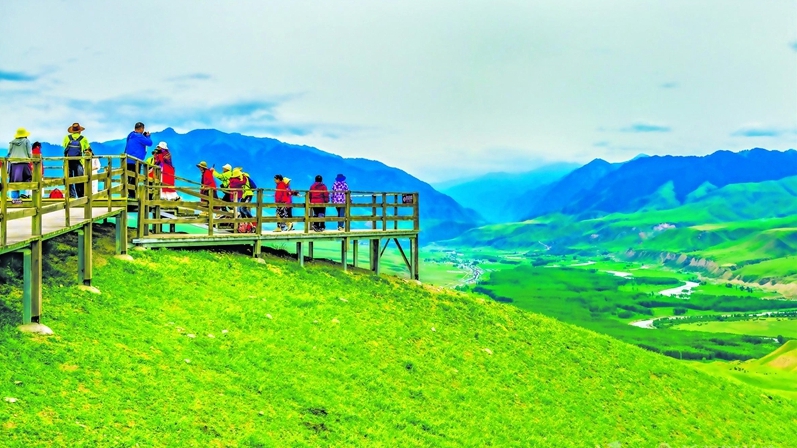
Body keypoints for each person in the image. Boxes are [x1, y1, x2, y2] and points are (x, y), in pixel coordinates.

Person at [123, 122, 153, 199]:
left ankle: (130, 193)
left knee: (129, 176)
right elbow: (149, 143)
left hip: (127, 159)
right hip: (135, 161)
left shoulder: (130, 135)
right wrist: (148, 136)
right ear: (142, 128)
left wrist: (143, 136)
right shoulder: (140, 136)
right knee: (135, 177)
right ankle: (132, 194)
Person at [63, 123, 90, 198]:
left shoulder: (67, 138)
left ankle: (71, 196)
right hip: (78, 161)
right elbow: (87, 149)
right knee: (79, 179)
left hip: (68, 161)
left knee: (69, 179)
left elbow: (64, 146)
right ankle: (81, 196)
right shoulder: (83, 139)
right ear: (80, 131)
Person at [8, 128, 32, 200]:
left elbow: (9, 153)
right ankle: (26, 196)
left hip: (13, 165)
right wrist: (31, 160)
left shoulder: (12, 142)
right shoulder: (26, 141)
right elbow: (29, 153)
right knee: (27, 180)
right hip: (24, 164)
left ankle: (14, 199)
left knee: (14, 182)